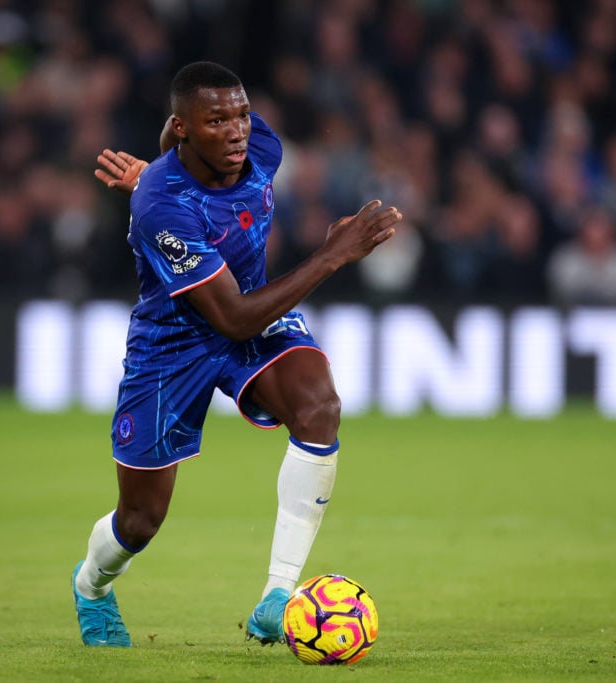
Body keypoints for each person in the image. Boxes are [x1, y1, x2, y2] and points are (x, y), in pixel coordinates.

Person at [72, 61, 402, 648]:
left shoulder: (262, 147)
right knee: (141, 521)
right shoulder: (159, 207)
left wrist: (161, 169)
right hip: (174, 344)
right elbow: (227, 318)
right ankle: (92, 586)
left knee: (319, 405)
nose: (237, 130)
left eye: (241, 114)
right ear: (182, 129)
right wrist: (332, 255)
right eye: (216, 120)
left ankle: (278, 597)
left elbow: (246, 317)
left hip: (255, 313)